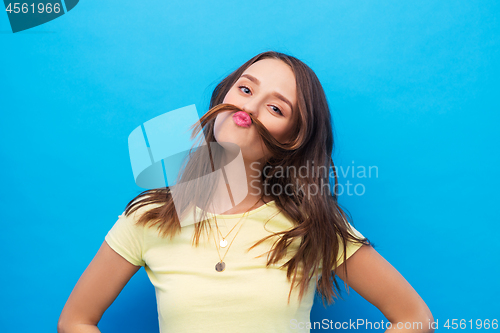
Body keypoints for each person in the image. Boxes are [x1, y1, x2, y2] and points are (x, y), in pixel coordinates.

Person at [58, 51, 434, 333]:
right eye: (245, 88)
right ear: (225, 95)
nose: (248, 108)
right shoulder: (150, 217)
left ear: (293, 139)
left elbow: (416, 318)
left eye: (274, 107)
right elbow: (75, 320)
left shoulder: (311, 227)